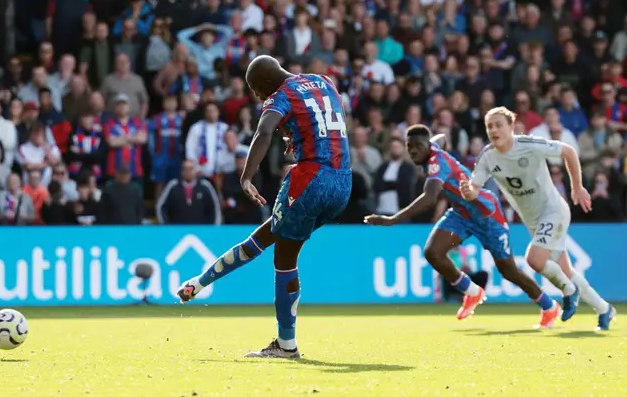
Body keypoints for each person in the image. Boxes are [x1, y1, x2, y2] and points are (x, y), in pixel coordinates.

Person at [176, 56, 352, 358]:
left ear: (264, 85)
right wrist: (298, 138)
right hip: (343, 183)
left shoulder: (280, 95)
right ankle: (199, 282)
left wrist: (246, 177)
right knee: (266, 237)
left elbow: (263, 131)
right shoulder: (325, 82)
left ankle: (286, 345)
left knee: (284, 259)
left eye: (256, 92)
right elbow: (324, 124)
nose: (258, 98)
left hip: (311, 179)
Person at [365, 125, 561, 328]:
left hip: (487, 215)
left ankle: (549, 307)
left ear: (427, 147)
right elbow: (440, 139)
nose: (413, 150)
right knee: (433, 253)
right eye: (410, 146)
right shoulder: (431, 149)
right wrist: (436, 143)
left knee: (509, 270)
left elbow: (430, 197)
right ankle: (472, 292)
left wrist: (392, 219)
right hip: (461, 213)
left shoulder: (436, 163)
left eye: (418, 146)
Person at [460, 107, 616, 331]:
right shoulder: (487, 156)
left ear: (511, 127)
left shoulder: (529, 144)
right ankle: (604, 309)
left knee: (534, 259)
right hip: (533, 220)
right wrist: (468, 191)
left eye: (498, 125)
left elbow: (569, 151)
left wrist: (577, 187)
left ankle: (568, 291)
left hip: (553, 211)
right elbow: (475, 188)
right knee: (566, 270)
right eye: (489, 126)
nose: (493, 130)